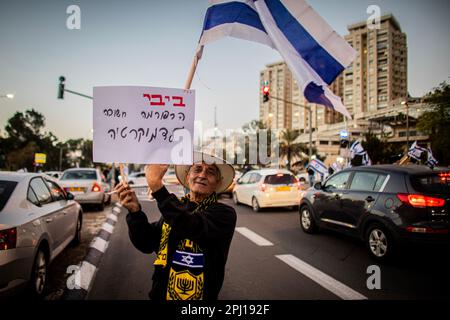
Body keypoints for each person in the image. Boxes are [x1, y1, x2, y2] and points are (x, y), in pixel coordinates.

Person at [114, 152, 237, 300]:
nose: (202, 175)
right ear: (187, 177)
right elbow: (146, 243)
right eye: (197, 169)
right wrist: (135, 212)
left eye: (210, 172)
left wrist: (157, 187)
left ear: (217, 182)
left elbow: (192, 226)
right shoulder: (176, 208)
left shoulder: (224, 213)